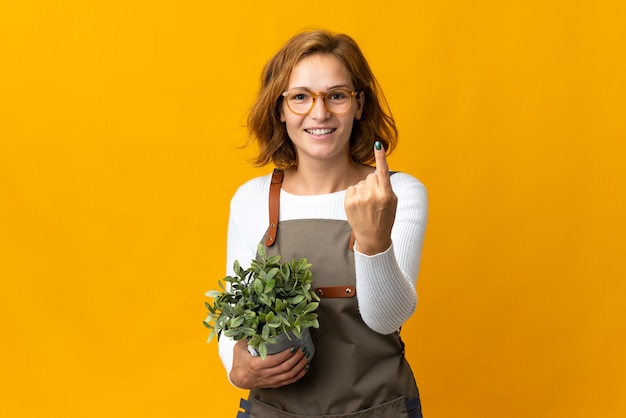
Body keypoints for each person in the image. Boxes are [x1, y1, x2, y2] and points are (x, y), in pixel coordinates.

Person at [218, 29, 428, 418]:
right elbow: (236, 313)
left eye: (336, 95)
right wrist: (236, 367)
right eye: (300, 97)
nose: (319, 113)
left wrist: (372, 239)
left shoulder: (398, 193)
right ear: (279, 109)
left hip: (380, 408)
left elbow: (387, 319)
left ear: (359, 104)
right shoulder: (251, 199)